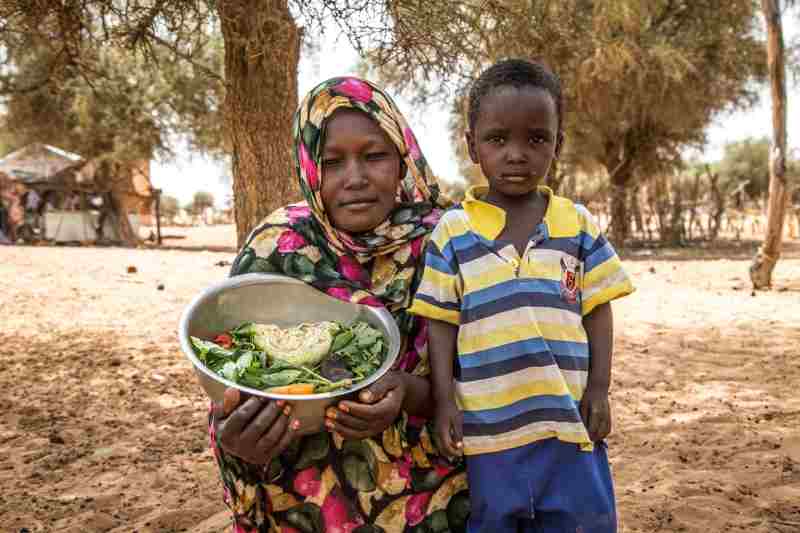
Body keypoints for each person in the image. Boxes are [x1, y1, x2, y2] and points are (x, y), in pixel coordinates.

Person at [210, 77, 471, 533]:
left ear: (403, 159)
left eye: (374, 156)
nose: (355, 178)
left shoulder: (449, 241)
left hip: (432, 493)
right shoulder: (277, 249)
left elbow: (488, 381)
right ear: (311, 169)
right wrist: (237, 435)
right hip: (305, 498)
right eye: (332, 162)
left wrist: (408, 393)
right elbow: (236, 371)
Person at [408, 59, 635, 533]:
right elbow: (442, 323)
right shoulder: (454, 232)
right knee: (496, 519)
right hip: (491, 430)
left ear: (558, 143)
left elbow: (597, 309)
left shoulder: (576, 225)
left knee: (584, 521)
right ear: (473, 145)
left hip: (568, 423)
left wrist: (598, 389)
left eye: (536, 139)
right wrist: (446, 400)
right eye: (497, 139)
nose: (516, 154)